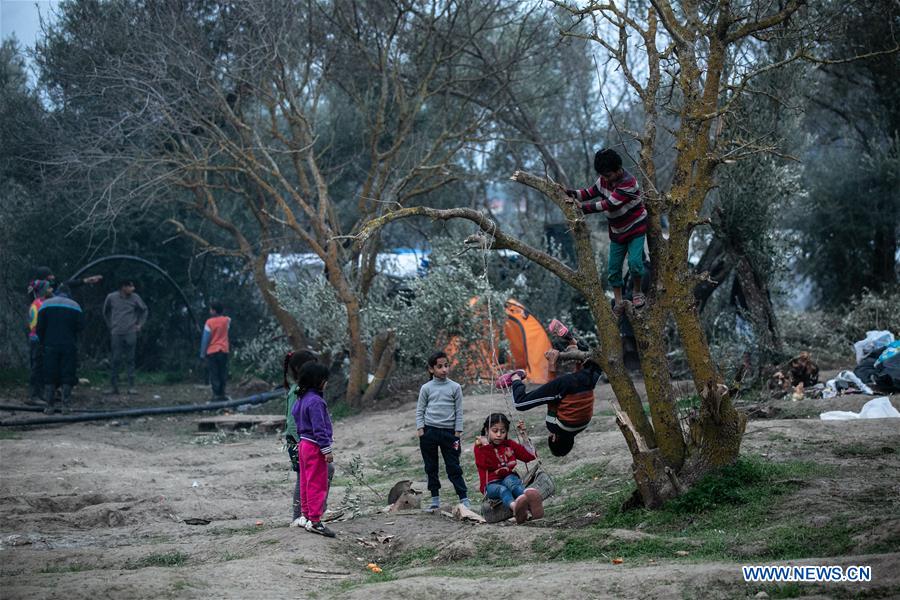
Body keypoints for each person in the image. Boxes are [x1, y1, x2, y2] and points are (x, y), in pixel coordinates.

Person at [564, 148, 648, 316]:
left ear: (618, 170)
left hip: (635, 227)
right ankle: (619, 301)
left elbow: (609, 204)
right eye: (602, 175)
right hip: (617, 232)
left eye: (608, 175)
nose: (604, 178)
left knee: (635, 264)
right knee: (613, 269)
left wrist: (583, 208)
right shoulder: (603, 180)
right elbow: (589, 193)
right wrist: (570, 193)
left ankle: (637, 292)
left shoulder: (629, 183)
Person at [496, 332, 602, 457]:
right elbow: (551, 396)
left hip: (587, 381)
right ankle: (515, 377)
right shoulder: (554, 428)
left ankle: (573, 343)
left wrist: (578, 366)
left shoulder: (581, 427)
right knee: (520, 403)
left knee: (594, 366)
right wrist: (552, 364)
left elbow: (578, 390)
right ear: (553, 439)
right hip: (566, 386)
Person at [282, 350, 335, 528]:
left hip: (303, 443)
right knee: (313, 481)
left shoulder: (301, 396)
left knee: (306, 478)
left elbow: (296, 416)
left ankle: (308, 513)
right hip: (309, 444)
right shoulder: (313, 400)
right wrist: (325, 448)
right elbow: (317, 428)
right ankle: (312, 517)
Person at [416, 351, 470, 512]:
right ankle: (435, 499)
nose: (444, 369)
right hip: (429, 432)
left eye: (446, 365)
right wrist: (421, 430)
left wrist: (457, 432)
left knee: (453, 466)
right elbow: (420, 410)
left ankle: (464, 498)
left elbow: (459, 411)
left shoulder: (455, 387)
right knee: (431, 466)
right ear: (431, 369)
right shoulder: (426, 388)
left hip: (449, 434)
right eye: (439, 366)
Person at [474, 413, 543, 524]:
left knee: (512, 483)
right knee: (503, 490)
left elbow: (528, 457)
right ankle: (517, 508)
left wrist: (524, 436)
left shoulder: (509, 444)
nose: (499, 435)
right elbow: (487, 465)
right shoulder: (480, 447)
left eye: (503, 431)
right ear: (487, 430)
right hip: (490, 485)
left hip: (508, 478)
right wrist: (487, 446)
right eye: (495, 431)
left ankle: (529, 502)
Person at [35, 285, 84, 414]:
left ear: (57, 293)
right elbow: (80, 327)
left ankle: (49, 406)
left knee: (50, 374)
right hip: (68, 346)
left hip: (50, 345)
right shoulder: (75, 306)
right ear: (69, 294)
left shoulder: (45, 305)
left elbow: (39, 327)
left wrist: (43, 342)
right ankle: (65, 406)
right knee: (67, 374)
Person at [103, 280, 148, 395]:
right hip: (116, 332)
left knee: (130, 359)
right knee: (115, 359)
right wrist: (110, 325)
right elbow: (105, 311)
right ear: (123, 287)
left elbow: (144, 310)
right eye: (130, 286)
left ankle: (131, 386)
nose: (133, 288)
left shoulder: (135, 298)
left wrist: (140, 324)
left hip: (130, 332)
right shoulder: (111, 297)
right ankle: (114, 387)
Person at [26, 280, 53, 404]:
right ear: (43, 290)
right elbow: (37, 325)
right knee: (37, 367)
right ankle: (33, 396)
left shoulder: (41, 303)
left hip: (39, 339)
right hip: (37, 339)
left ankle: (40, 394)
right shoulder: (38, 304)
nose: (51, 289)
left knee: (40, 367)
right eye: (48, 288)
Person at [199, 302, 231, 401]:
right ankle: (222, 393)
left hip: (212, 351)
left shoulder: (209, 322)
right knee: (223, 372)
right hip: (224, 350)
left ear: (213, 310)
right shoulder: (227, 320)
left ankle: (216, 394)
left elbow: (205, 339)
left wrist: (202, 353)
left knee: (214, 373)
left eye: (211, 309)